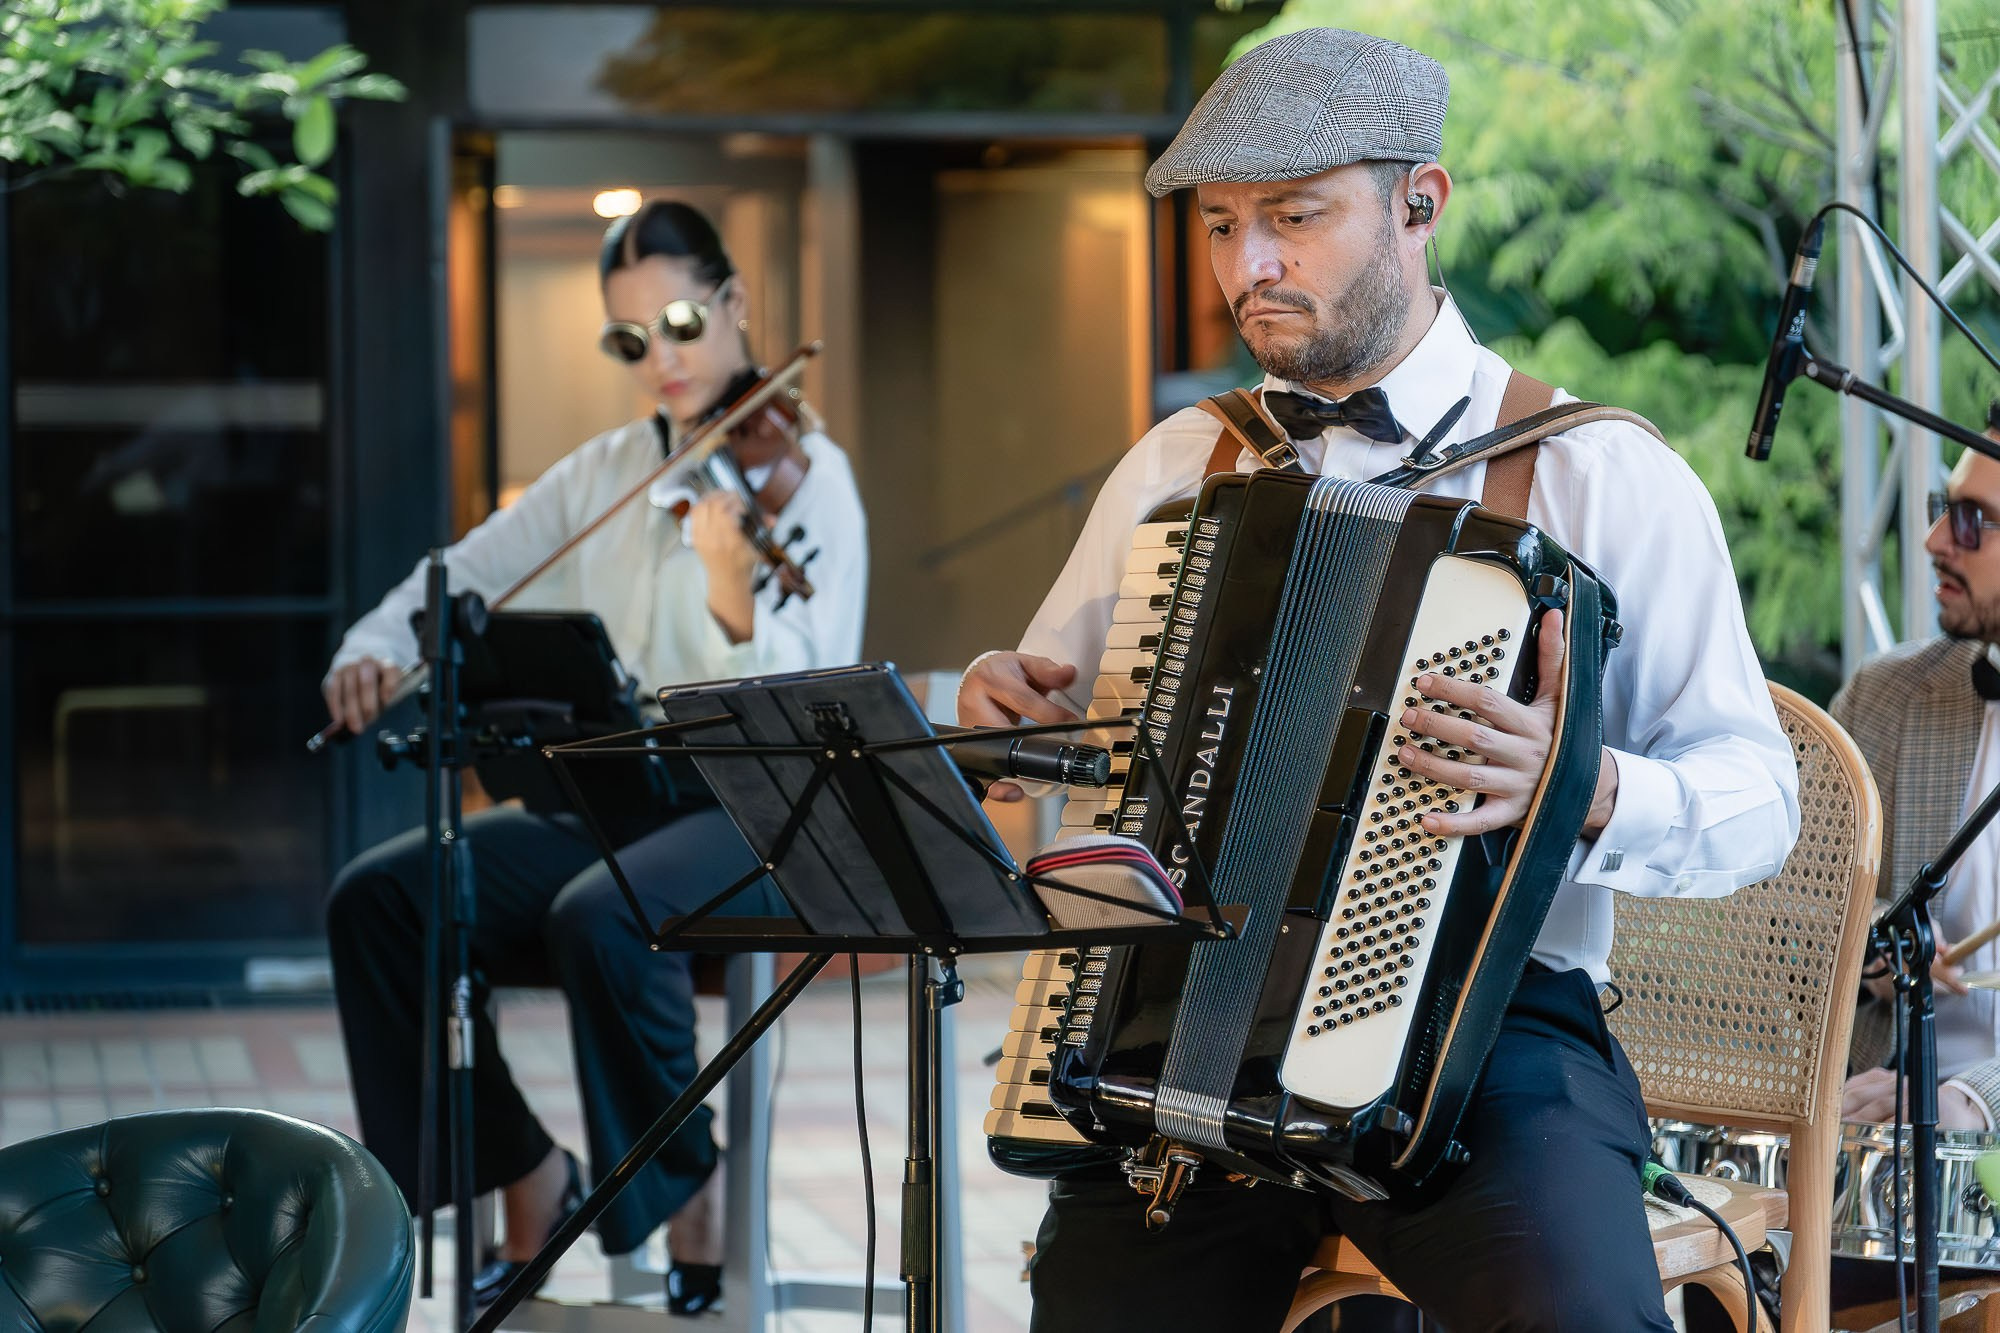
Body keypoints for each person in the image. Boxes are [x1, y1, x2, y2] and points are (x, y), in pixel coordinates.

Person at [956, 28, 1800, 1333]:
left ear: (1422, 204)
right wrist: (1017, 708)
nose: (1250, 266)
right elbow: (1062, 701)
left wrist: (1579, 785)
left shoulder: (1597, 470)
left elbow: (1758, 797)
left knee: (1579, 1316)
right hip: (1199, 1035)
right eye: (1223, 224)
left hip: (1497, 1032)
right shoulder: (1185, 459)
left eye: (1296, 216)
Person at [322, 199, 867, 1314]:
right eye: (629, 339)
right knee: (382, 900)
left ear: (735, 306)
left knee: (598, 911)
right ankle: (523, 1168)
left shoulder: (810, 478)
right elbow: (460, 576)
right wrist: (374, 650)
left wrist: (727, 588)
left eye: (677, 322)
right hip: (620, 803)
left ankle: (689, 1189)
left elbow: (805, 685)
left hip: (762, 814)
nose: (658, 357)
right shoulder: (606, 474)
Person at [1824, 408, 2000, 1312]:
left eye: (1971, 521)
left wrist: (1971, 1099)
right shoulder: (1887, 698)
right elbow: (1778, 923)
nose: (1935, 537)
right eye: (1942, 507)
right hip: (1868, 1168)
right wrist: (1881, 949)